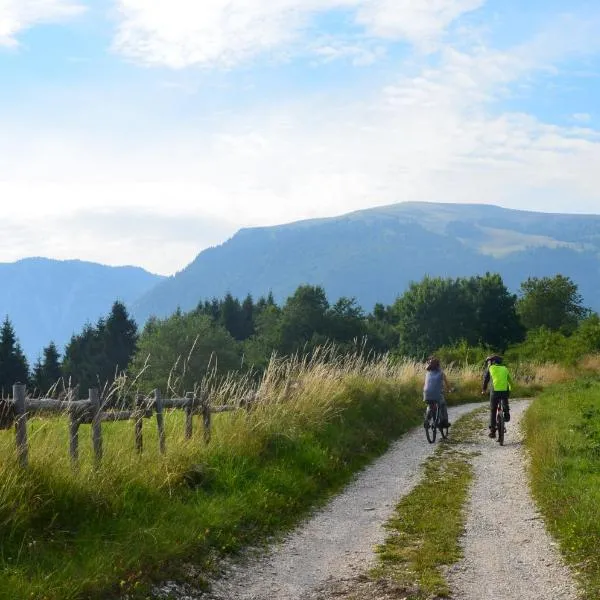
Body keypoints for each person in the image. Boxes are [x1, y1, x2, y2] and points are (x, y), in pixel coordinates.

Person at [482, 355, 513, 438]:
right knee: (505, 396)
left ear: (493, 362)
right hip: (504, 392)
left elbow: (485, 379)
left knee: (493, 410)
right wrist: (510, 389)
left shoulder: (490, 368)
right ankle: (506, 413)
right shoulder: (505, 368)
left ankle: (492, 431)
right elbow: (510, 381)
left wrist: (484, 390)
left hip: (494, 393)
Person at [423, 356, 451, 428]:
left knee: (430, 405)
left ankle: (427, 418)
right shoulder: (441, 373)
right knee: (443, 404)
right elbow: (446, 383)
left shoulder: (427, 373)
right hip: (437, 394)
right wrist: (450, 389)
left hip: (426, 393)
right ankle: (444, 422)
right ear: (438, 365)